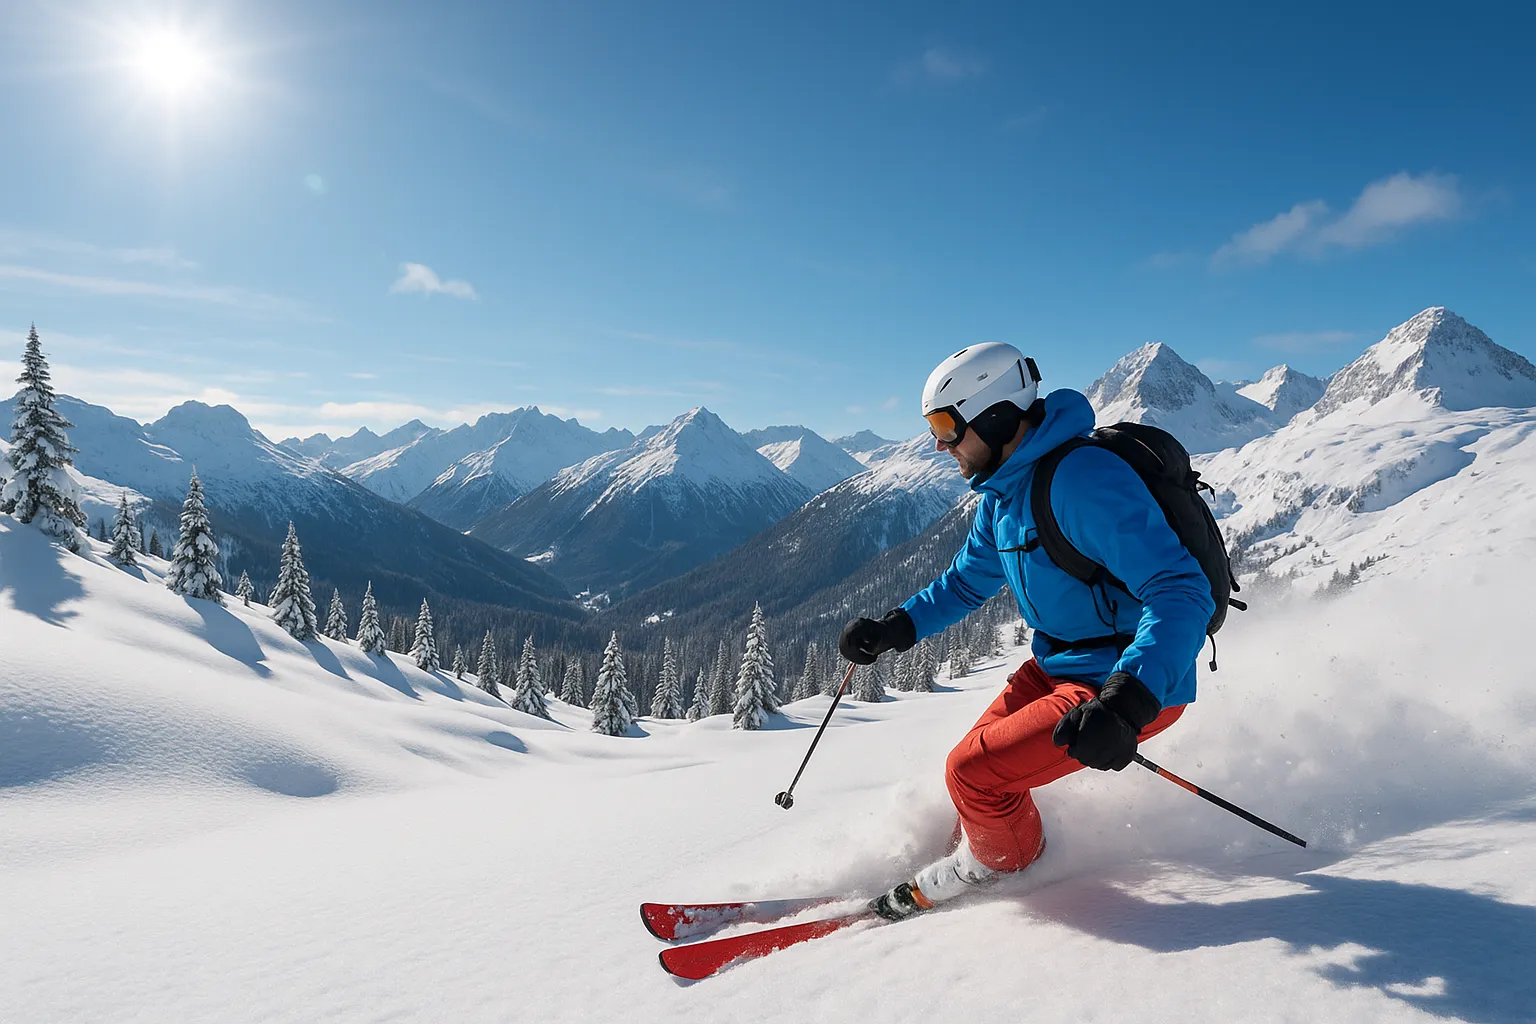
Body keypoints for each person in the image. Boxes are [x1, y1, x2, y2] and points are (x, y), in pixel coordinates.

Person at [838, 342, 1215, 920]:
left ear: (995, 416)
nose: (939, 444)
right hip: (1056, 666)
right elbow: (969, 581)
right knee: (967, 771)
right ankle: (988, 849)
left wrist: (1129, 700)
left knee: (975, 775)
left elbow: (1182, 589)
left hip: (1121, 681)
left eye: (946, 425)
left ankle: (1004, 870)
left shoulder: (1082, 480)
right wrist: (899, 627)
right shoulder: (1004, 489)